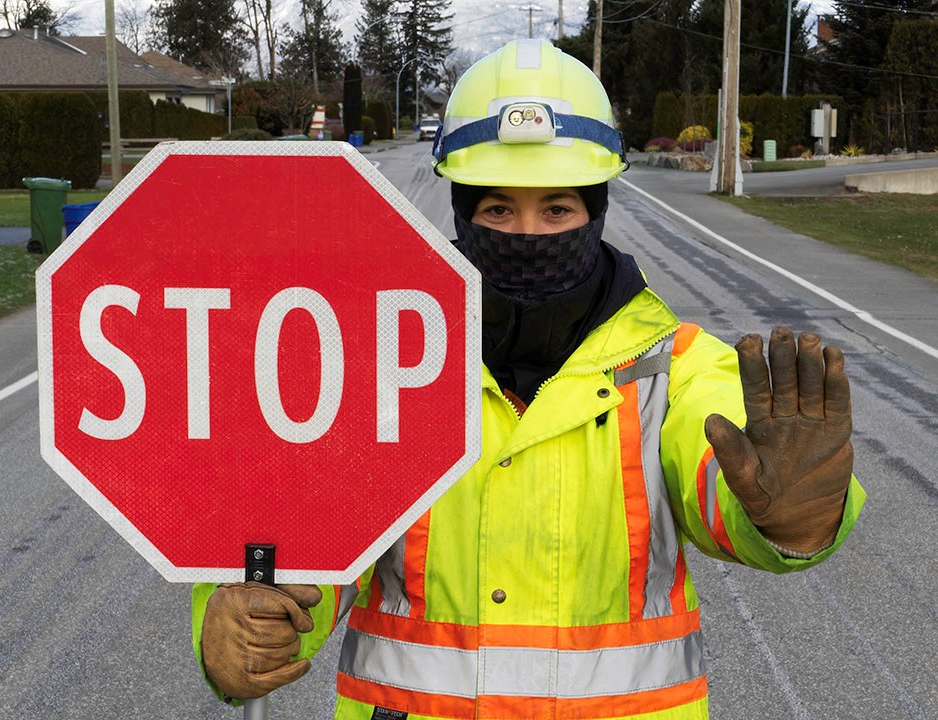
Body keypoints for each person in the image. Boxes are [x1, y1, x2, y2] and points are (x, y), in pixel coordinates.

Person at [191, 39, 865, 719]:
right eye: (498, 212)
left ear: (595, 211)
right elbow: (299, 541)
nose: (528, 234)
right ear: (462, 214)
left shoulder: (675, 368)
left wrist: (796, 518)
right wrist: (239, 624)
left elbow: (730, 467)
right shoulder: (379, 368)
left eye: (557, 210)